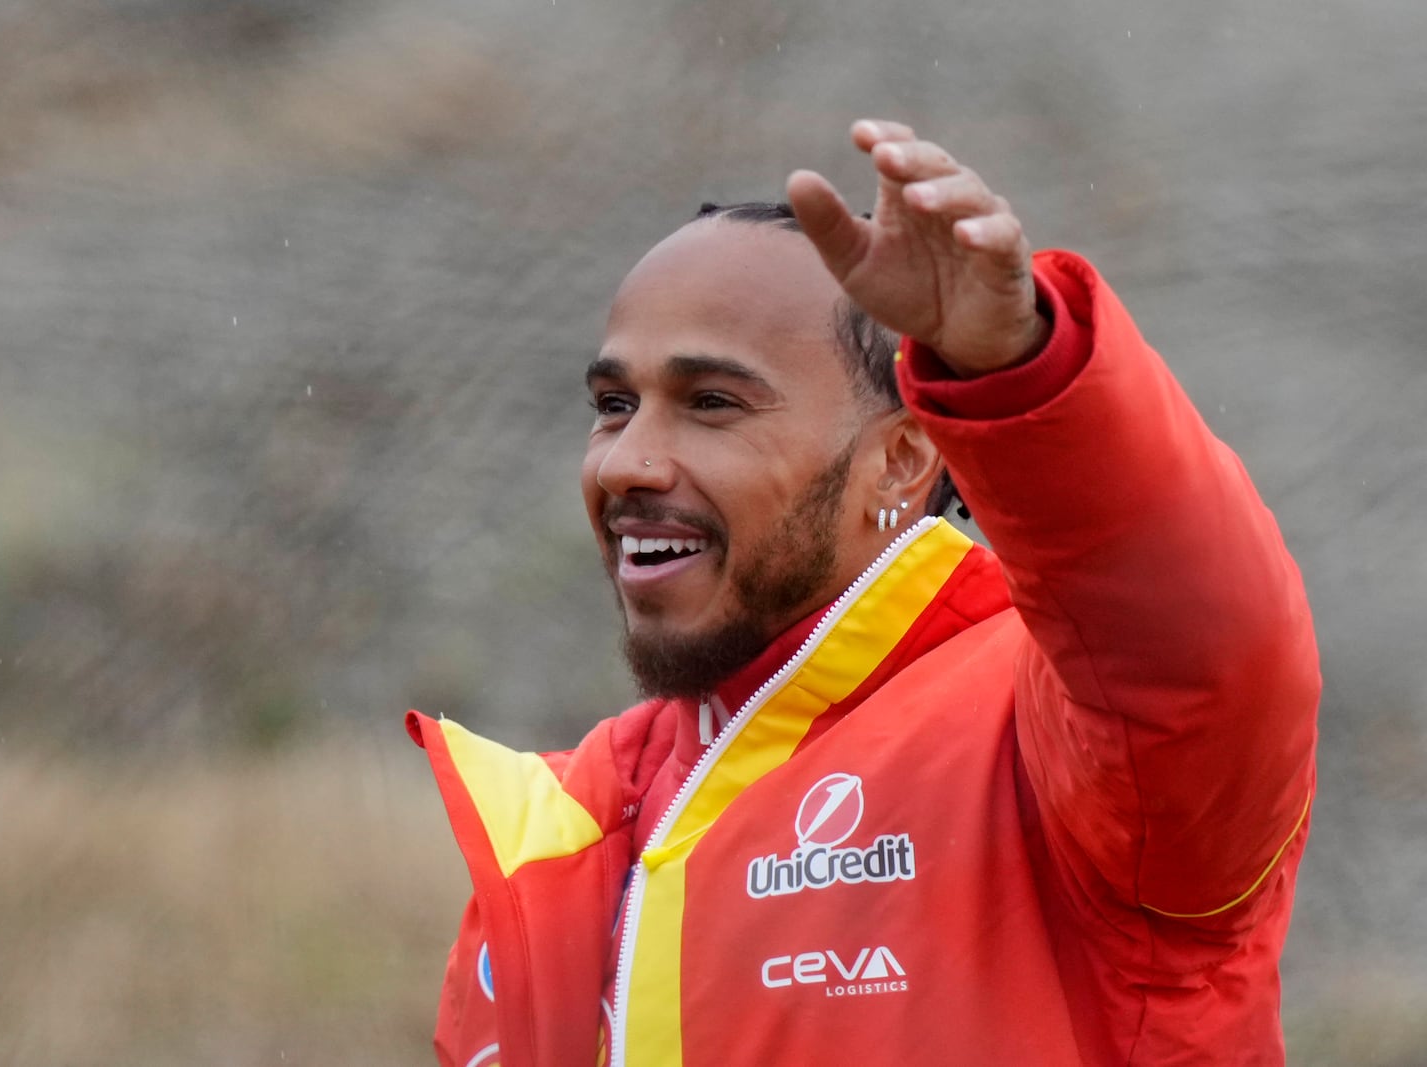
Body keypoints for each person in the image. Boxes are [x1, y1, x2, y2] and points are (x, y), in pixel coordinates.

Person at [406, 119, 1320, 1066]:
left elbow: (1200, 658)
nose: (629, 460)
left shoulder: (1060, 746)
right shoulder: (571, 820)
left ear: (902, 457)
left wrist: (1018, 372)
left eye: (713, 402)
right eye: (613, 405)